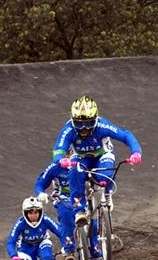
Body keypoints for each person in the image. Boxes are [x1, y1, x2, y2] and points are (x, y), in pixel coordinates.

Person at [51, 95, 142, 239]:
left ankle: (107, 193)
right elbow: (59, 148)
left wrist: (136, 152)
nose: (84, 128)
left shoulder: (102, 125)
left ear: (96, 118)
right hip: (81, 158)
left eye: (88, 123)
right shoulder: (68, 130)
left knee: (104, 173)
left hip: (102, 155)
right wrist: (60, 159)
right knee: (75, 171)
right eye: (79, 123)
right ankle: (79, 209)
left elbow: (125, 135)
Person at [35, 159, 100, 260]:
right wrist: (40, 193)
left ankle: (95, 249)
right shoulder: (55, 167)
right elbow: (40, 183)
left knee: (93, 221)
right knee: (66, 216)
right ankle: (69, 250)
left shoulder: (85, 162)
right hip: (63, 198)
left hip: (83, 198)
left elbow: (98, 176)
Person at [6, 196, 63, 260]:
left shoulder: (45, 219)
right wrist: (13, 255)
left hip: (42, 243)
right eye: (30, 213)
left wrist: (66, 246)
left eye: (36, 212)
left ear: (40, 212)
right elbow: (11, 241)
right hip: (25, 249)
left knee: (47, 258)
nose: (33, 216)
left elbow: (61, 233)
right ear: (25, 213)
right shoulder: (20, 223)